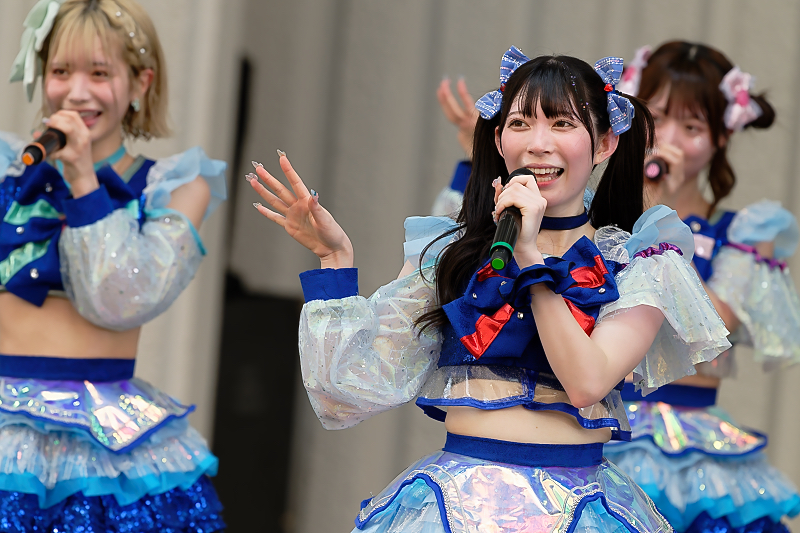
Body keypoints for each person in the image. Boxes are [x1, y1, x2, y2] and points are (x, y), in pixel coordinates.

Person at [248, 45, 731, 532]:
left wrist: (530, 260)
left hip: (578, 512)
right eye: (520, 123)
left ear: (605, 143)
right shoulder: (452, 253)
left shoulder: (641, 264)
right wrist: (335, 261)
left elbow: (587, 382)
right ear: (499, 139)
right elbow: (347, 392)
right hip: (455, 507)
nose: (538, 144)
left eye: (562, 124)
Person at [0, 0, 227, 530]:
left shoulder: (175, 187)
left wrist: (83, 181)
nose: (76, 92)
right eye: (61, 71)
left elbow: (120, 301)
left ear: (140, 83)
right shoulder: (9, 171)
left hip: (108, 449)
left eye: (99, 74)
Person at [602, 41, 800, 533]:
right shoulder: (599, 224)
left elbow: (711, 330)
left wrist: (659, 218)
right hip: (605, 426)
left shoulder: (743, 234)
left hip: (696, 445)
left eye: (691, 127)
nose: (668, 139)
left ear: (720, 138)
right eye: (657, 118)